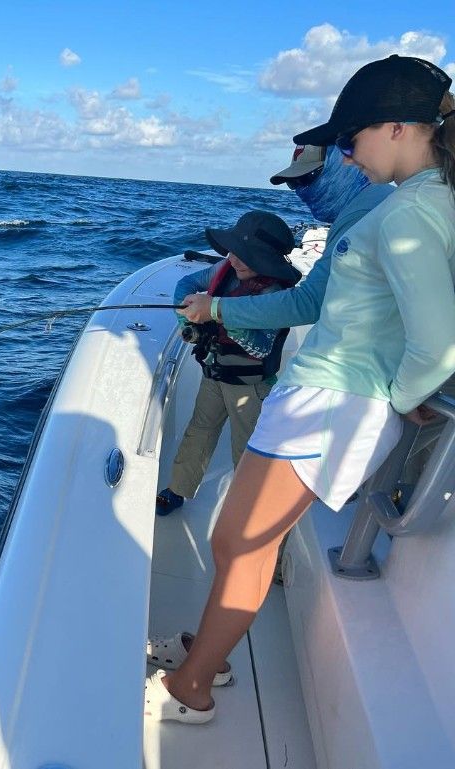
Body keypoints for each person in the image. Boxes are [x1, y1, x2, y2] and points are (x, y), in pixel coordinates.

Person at [145, 54, 455, 724]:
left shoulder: (409, 214)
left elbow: (438, 345)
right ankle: (211, 656)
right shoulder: (401, 208)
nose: (345, 156)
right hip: (318, 398)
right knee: (239, 542)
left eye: (351, 140)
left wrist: (400, 399)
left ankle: (190, 688)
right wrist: (219, 310)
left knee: (239, 539)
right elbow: (315, 299)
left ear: (400, 129)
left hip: (336, 403)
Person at [154, 211, 300, 516]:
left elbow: (261, 348)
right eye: (234, 250)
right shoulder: (227, 267)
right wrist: (185, 313)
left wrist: (222, 314)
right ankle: (179, 488)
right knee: (199, 429)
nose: (235, 259)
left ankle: (248, 509)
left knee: (246, 446)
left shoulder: (274, 293)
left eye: (247, 255)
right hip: (214, 371)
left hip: (250, 385)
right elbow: (187, 282)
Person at [178, 144, 392, 330]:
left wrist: (215, 309)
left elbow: (310, 303)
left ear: (344, 164)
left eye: (307, 178)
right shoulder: (369, 203)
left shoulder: (361, 215)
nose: (301, 190)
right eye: (294, 183)